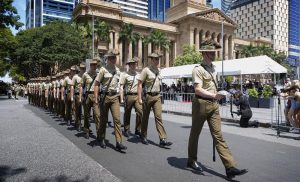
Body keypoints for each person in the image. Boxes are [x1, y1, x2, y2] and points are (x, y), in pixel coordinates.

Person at [187, 39, 247, 179]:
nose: (215, 54)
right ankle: (191, 160)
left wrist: (221, 93)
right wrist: (215, 95)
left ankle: (230, 167)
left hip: (213, 104)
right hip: (201, 104)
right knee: (195, 133)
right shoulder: (198, 69)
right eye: (213, 52)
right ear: (206, 53)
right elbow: (198, 89)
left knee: (218, 135)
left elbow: (211, 87)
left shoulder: (213, 68)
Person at [137, 52, 172, 147]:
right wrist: (139, 98)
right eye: (156, 59)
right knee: (145, 117)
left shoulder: (159, 70)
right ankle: (143, 135)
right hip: (148, 96)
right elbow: (140, 83)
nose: (157, 61)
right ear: (151, 59)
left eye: (158, 59)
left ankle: (162, 138)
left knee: (158, 117)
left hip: (157, 96)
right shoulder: (146, 70)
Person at [94, 49, 127, 151]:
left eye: (114, 57)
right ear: (108, 59)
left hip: (114, 97)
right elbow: (96, 84)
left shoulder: (118, 71)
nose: (113, 59)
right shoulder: (103, 70)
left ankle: (119, 142)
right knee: (103, 120)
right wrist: (96, 98)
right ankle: (102, 138)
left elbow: (120, 85)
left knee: (117, 119)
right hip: (105, 97)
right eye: (111, 57)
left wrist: (121, 97)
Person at [120, 57, 143, 138]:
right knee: (127, 113)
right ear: (129, 65)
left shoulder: (139, 75)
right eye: (131, 64)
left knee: (140, 112)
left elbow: (141, 86)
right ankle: (126, 129)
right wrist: (122, 98)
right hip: (129, 95)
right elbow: (121, 87)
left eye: (134, 64)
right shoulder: (125, 75)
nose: (133, 65)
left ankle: (137, 129)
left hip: (137, 96)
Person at [82, 59, 101, 139]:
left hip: (96, 96)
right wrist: (81, 96)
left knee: (97, 115)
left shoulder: (99, 74)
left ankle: (99, 134)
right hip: (88, 95)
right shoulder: (85, 74)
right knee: (86, 115)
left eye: (95, 65)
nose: (94, 66)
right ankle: (86, 130)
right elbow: (81, 86)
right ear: (90, 65)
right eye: (92, 65)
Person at [71, 65, 83, 131]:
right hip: (78, 95)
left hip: (85, 94)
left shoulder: (86, 75)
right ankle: (78, 123)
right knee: (78, 110)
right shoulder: (75, 77)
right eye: (82, 68)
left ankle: (86, 126)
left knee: (87, 112)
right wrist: (72, 96)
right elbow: (72, 87)